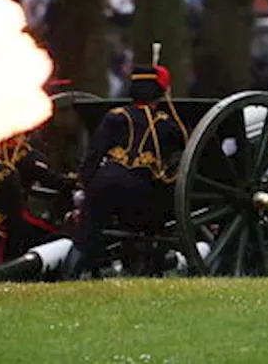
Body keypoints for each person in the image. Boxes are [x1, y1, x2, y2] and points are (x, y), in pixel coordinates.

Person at [74, 63, 186, 277]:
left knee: (92, 224)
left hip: (104, 183)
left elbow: (94, 154)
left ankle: (89, 268)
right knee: (158, 223)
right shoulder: (166, 125)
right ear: (161, 92)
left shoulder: (114, 116)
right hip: (140, 189)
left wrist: (84, 183)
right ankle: (153, 268)